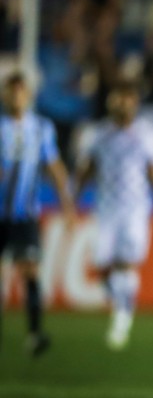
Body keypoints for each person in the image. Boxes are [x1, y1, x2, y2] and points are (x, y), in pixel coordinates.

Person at [74, 79, 153, 350]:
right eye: (119, 99)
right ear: (110, 102)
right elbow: (86, 170)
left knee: (126, 263)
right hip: (105, 208)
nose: (123, 105)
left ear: (136, 104)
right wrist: (72, 201)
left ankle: (123, 316)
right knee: (102, 265)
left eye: (128, 99)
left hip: (135, 209)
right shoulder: (97, 134)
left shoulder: (147, 135)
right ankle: (122, 302)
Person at [0, 72, 77, 356]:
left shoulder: (41, 128)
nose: (15, 97)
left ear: (29, 96)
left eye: (20, 91)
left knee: (30, 270)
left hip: (25, 214)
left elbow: (55, 168)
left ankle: (34, 334)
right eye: (10, 92)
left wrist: (67, 206)